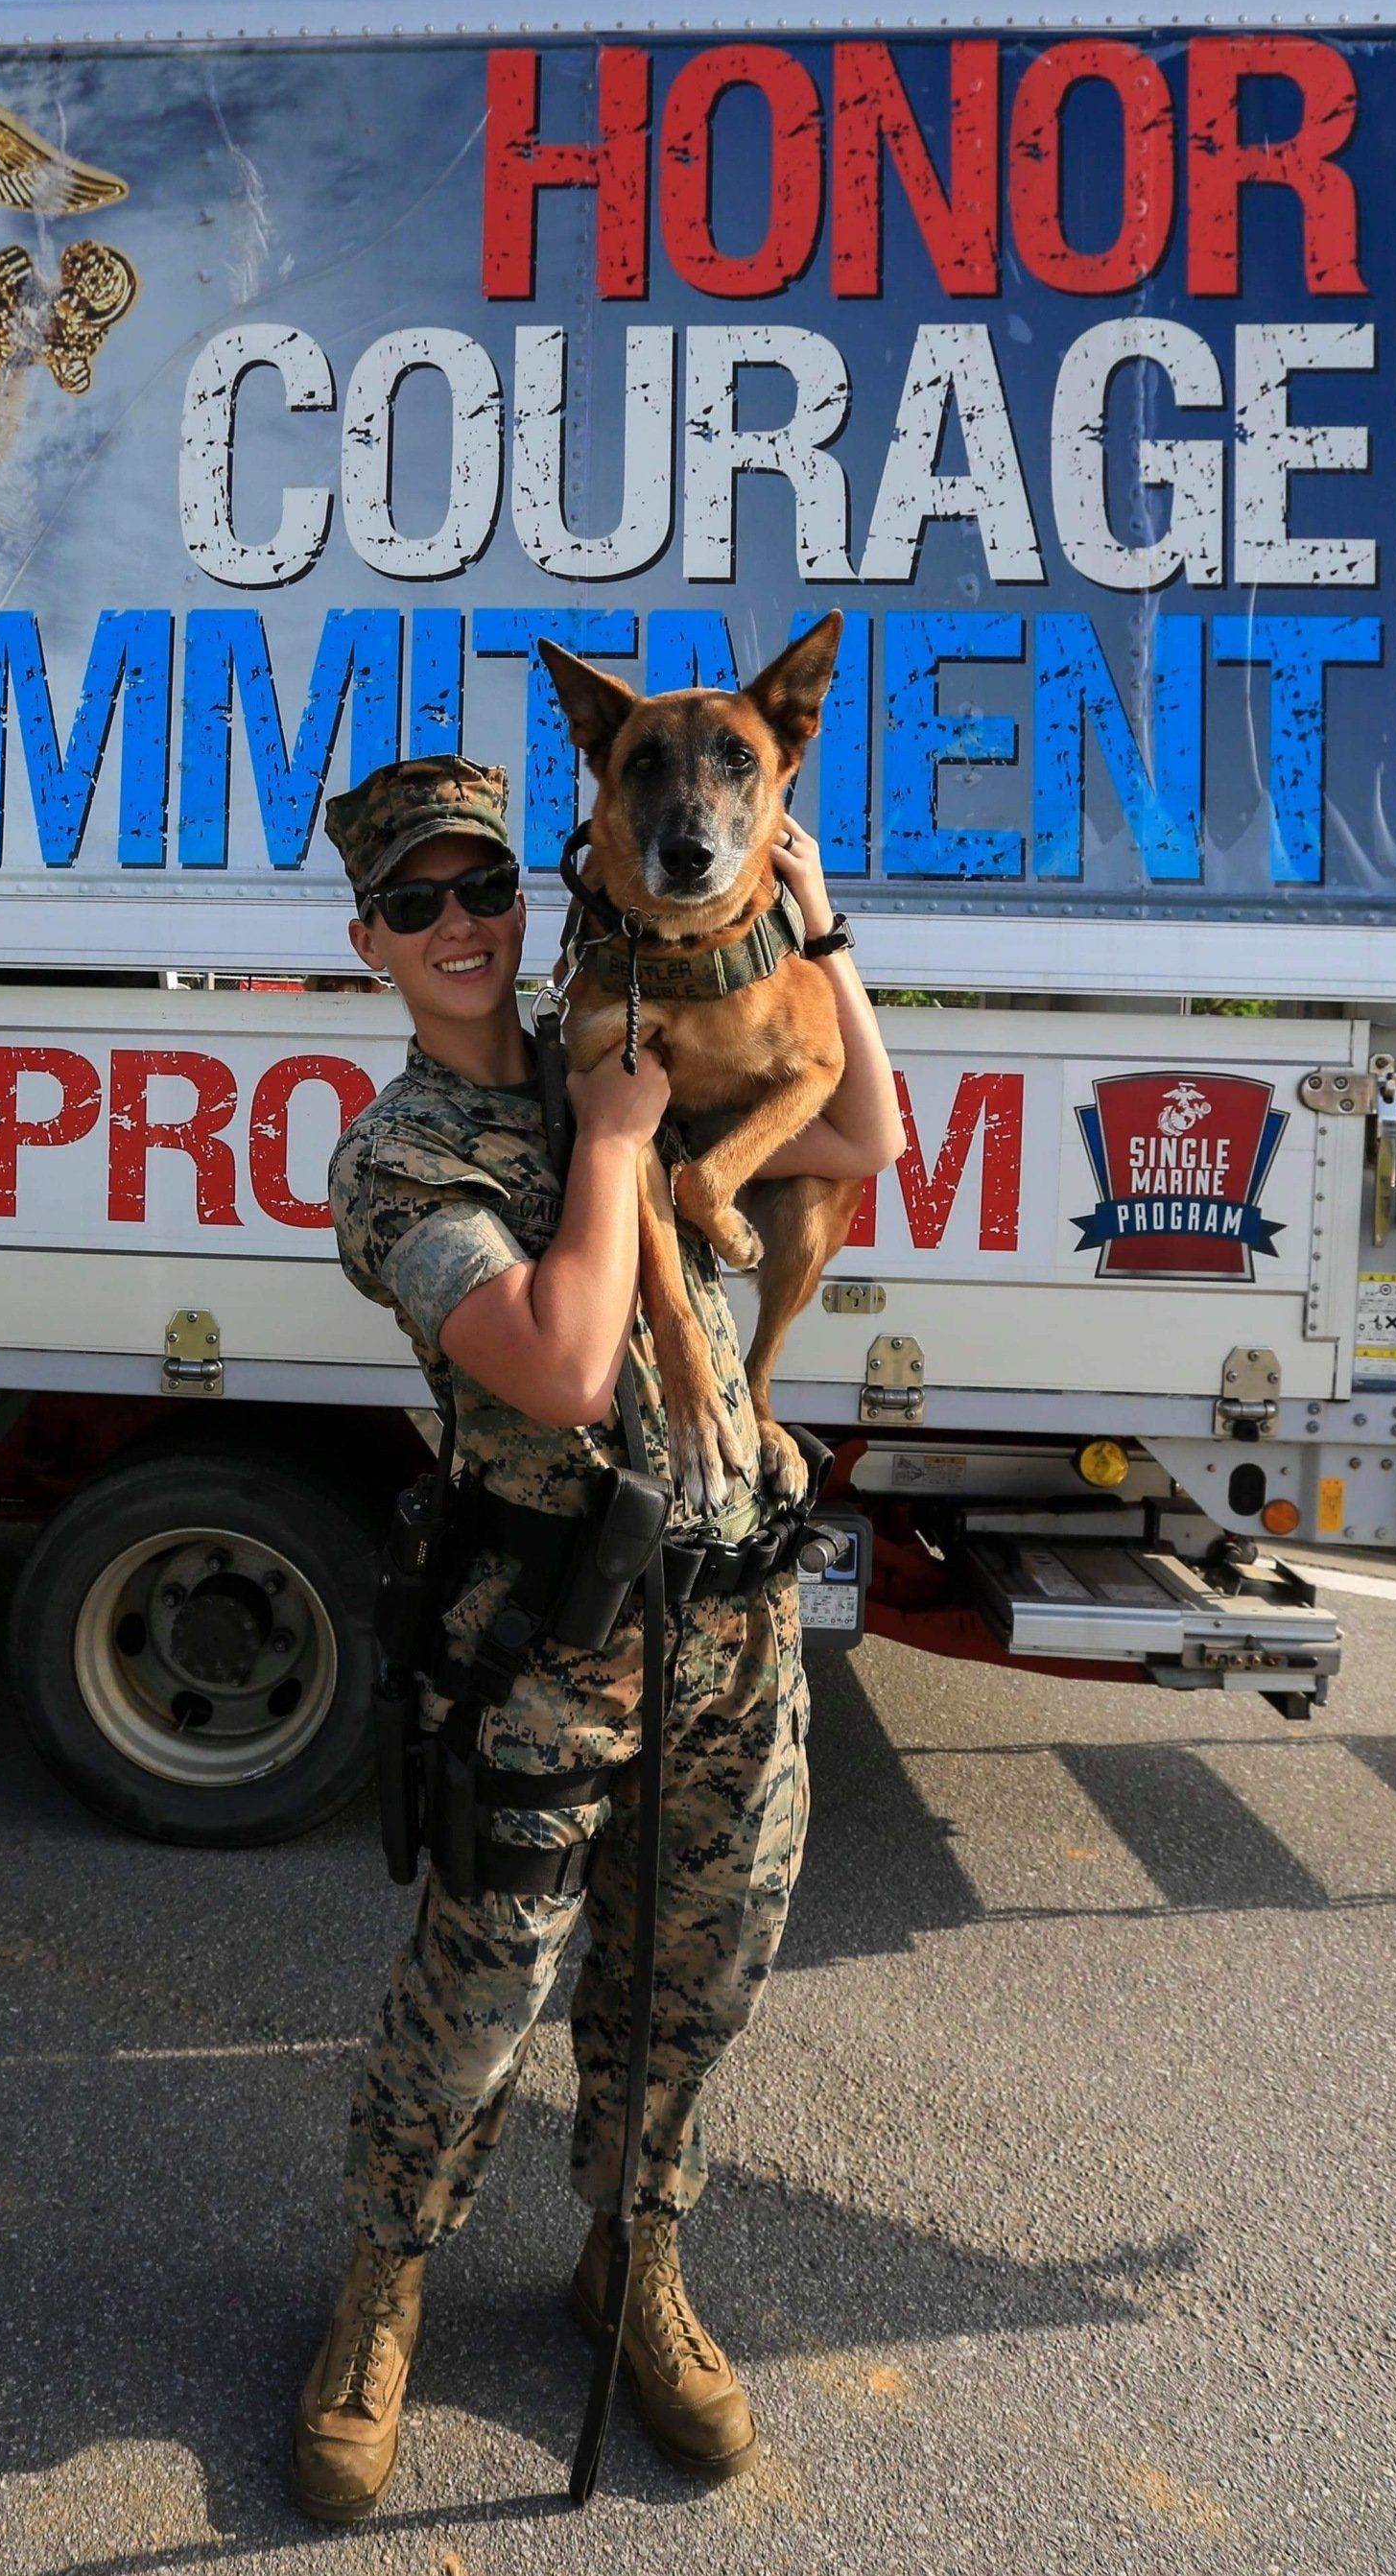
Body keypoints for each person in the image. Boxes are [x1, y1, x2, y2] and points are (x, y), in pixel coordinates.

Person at [291, 755, 904, 2521]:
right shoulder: (398, 1159)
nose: (460, 925)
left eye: (481, 886)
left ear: (531, 887)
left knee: (692, 1989)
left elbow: (861, 1131)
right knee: (480, 2001)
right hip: (547, 1643)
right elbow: (563, 1366)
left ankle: (633, 2264)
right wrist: (622, 1151)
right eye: (416, 907)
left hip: (731, 1625)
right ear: (372, 944)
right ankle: (382, 2289)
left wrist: (822, 916)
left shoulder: (625, 1038)